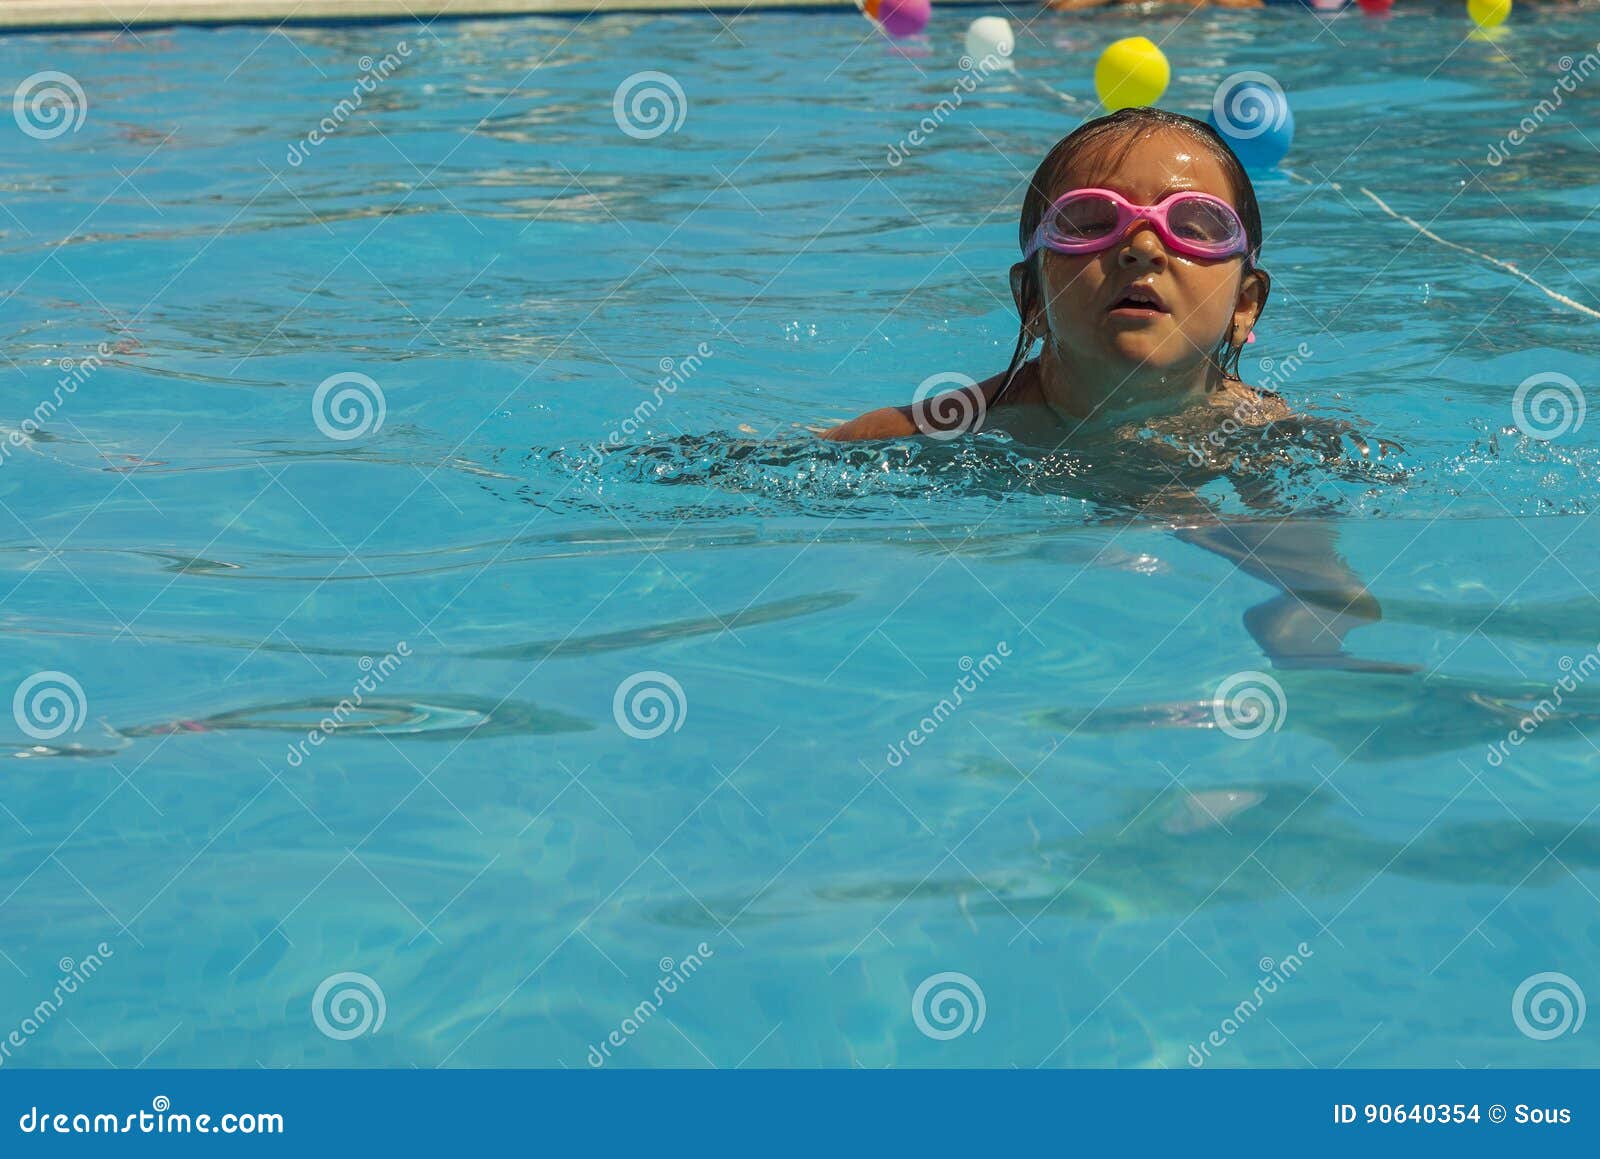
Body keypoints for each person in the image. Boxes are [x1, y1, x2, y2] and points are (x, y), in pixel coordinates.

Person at [824, 107, 1408, 673]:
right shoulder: (956, 425)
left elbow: (1334, 591)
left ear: (1244, 307)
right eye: (1090, 224)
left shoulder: (1269, 438)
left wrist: (1302, 623)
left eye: (1195, 227)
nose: (1143, 247)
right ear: (1031, 301)